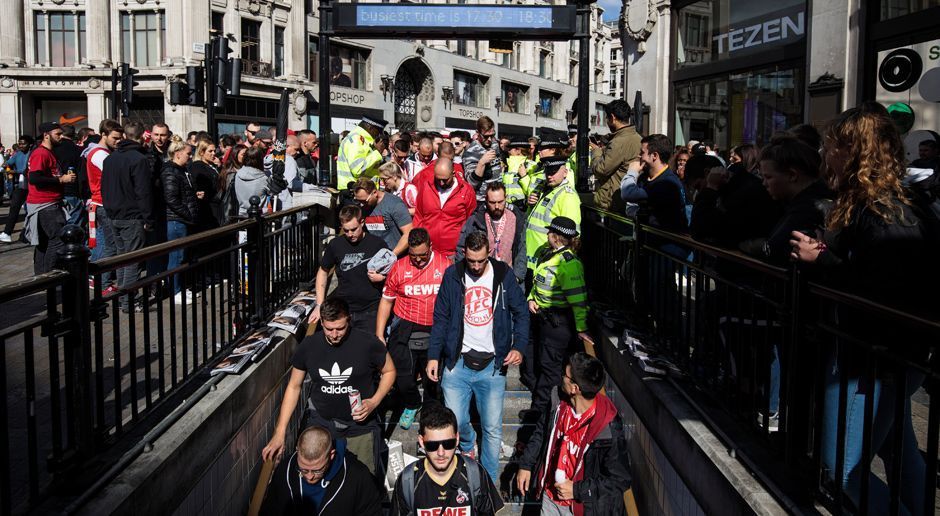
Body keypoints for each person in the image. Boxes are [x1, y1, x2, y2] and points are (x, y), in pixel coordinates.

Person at [790, 107, 938, 515]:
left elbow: (884, 290)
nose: (825, 153)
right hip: (887, 356)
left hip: (874, 358)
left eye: (832, 146)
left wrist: (820, 260)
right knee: (900, 451)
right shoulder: (889, 202)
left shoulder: (891, 209)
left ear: (853, 151)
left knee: (843, 472)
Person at [426, 231, 529, 482]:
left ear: (489, 254)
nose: (475, 266)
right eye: (471, 260)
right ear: (464, 254)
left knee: (492, 430)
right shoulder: (453, 275)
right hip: (457, 364)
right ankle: (469, 443)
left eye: (480, 261)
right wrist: (433, 356)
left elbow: (522, 313)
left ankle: (489, 485)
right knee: (457, 422)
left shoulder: (503, 275)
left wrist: (519, 346)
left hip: (492, 367)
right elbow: (440, 318)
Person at [262, 299, 396, 478]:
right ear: (322, 323)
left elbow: (389, 371)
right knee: (316, 478)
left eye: (340, 328)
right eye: (329, 329)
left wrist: (374, 401)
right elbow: (294, 386)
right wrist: (280, 432)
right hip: (321, 425)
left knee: (363, 481)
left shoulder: (368, 343)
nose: (334, 334)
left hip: (360, 428)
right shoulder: (309, 346)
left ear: (349, 320)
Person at [517, 352, 632, 516]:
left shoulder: (608, 427)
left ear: (574, 388)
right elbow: (542, 432)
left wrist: (577, 490)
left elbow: (620, 481)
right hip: (550, 499)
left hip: (582, 508)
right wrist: (526, 464)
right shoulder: (557, 401)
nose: (561, 376)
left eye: (565, 375)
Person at [375, 228, 451, 428]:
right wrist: (379, 333)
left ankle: (430, 415)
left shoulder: (444, 265)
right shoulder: (399, 268)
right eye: (413, 255)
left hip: (435, 326)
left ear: (430, 248)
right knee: (403, 378)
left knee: (432, 379)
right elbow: (386, 301)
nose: (417, 260)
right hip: (405, 325)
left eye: (422, 255)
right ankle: (412, 403)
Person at [523, 216, 592, 416]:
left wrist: (581, 328)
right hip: (545, 321)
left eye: (549, 232)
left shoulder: (568, 264)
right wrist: (531, 299)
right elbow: (538, 284)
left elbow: (578, 302)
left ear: (556, 237)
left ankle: (542, 414)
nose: (546, 234)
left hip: (558, 324)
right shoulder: (549, 255)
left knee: (550, 372)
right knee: (545, 366)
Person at [391, 403, 504, 516]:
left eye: (448, 443)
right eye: (432, 445)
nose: (441, 453)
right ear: (421, 442)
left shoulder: (475, 473)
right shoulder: (408, 480)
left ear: (457, 439)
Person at [738, 136, 830, 265]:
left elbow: (772, 248)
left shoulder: (807, 208)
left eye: (768, 177)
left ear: (792, 175)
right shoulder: (799, 201)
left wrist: (741, 243)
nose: (764, 183)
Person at [261, 425, 384, 515]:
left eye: (317, 471)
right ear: (297, 451)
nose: (309, 477)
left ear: (331, 455)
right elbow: (270, 510)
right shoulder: (285, 470)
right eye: (303, 470)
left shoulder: (357, 476)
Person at [309, 205, 389, 333]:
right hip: (344, 310)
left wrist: (383, 277)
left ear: (362, 222)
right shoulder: (336, 244)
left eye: (353, 229)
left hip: (371, 310)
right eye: (346, 230)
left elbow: (394, 272)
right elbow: (323, 272)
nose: (350, 234)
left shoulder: (377, 244)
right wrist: (319, 304)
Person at [102, 121, 154, 313]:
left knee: (123, 259)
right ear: (141, 137)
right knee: (132, 261)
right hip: (131, 216)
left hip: (113, 214)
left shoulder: (111, 158)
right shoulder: (138, 159)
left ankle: (122, 297)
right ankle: (127, 301)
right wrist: (148, 219)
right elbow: (143, 192)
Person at [455, 182, 526, 282]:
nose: (497, 206)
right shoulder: (476, 220)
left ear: (506, 198)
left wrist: (517, 277)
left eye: (500, 202)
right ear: (486, 200)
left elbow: (521, 249)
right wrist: (464, 275)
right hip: (481, 277)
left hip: (508, 277)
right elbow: (461, 248)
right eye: (492, 202)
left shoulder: (516, 219)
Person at [25, 122, 71, 275]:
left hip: (48, 203)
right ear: (46, 135)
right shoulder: (41, 153)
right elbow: (34, 178)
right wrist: (60, 180)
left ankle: (41, 278)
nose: (61, 137)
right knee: (57, 240)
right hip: (45, 204)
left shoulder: (47, 153)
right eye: (57, 134)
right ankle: (50, 277)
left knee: (44, 242)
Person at [620, 134, 688, 235]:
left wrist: (632, 172)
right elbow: (631, 206)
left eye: (642, 152)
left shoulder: (668, 183)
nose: (639, 156)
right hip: (646, 241)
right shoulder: (644, 177)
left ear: (654, 156)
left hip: (664, 245)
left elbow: (627, 193)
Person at [523, 158, 581, 275]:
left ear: (565, 172)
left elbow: (571, 235)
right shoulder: (548, 189)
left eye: (554, 172)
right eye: (547, 172)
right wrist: (530, 204)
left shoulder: (567, 196)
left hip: (548, 260)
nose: (549, 176)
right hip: (534, 256)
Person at [161, 135, 201, 304]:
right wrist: (188, 213)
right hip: (177, 220)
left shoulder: (181, 170)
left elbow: (182, 193)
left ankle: (179, 288)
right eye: (188, 153)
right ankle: (175, 291)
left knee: (181, 256)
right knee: (176, 257)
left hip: (182, 219)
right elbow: (171, 198)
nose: (190, 156)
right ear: (177, 154)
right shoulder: (170, 171)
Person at [412, 157, 477, 259]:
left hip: (454, 253)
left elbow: (471, 221)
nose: (441, 183)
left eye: (445, 180)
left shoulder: (466, 191)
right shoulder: (426, 187)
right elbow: (419, 216)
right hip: (429, 251)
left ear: (454, 173)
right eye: (438, 179)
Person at [85, 119, 123, 293]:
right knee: (111, 245)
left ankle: (101, 280)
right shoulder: (100, 155)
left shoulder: (102, 152)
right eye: (115, 138)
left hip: (102, 203)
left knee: (107, 243)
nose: (118, 141)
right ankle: (102, 282)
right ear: (104, 135)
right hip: (103, 203)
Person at [591, 100, 641, 212]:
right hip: (627, 199)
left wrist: (597, 152)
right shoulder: (637, 138)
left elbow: (601, 169)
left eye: (607, 119)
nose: (607, 122)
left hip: (611, 202)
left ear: (613, 118)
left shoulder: (618, 142)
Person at [352, 176, 413, 256]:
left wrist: (392, 255)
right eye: (358, 201)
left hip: (397, 256)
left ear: (375, 193)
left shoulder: (394, 204)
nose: (361, 204)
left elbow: (408, 233)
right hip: (375, 256)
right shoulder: (364, 207)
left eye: (364, 201)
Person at [0, 135, 34, 243]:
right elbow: (8, 163)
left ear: (30, 145)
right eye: (19, 143)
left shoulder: (32, 154)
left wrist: (14, 171)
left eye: (23, 143)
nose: (21, 146)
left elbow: (26, 170)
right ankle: (7, 232)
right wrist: (5, 165)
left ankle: (26, 233)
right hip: (20, 185)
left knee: (30, 211)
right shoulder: (18, 154)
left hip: (32, 185)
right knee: (14, 208)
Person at [336, 116, 386, 190]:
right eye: (378, 131)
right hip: (355, 191)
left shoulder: (364, 140)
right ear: (370, 127)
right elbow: (358, 170)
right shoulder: (356, 139)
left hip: (362, 190)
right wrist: (377, 153)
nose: (378, 135)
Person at [462, 116, 503, 203]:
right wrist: (482, 163)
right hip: (482, 200)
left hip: (498, 195)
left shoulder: (494, 144)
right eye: (486, 136)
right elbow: (471, 183)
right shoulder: (470, 152)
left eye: (492, 135)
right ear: (477, 133)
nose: (489, 140)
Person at [234, 146, 285, 216]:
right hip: (259, 217)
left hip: (242, 215)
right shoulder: (264, 179)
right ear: (260, 160)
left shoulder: (237, 174)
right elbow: (275, 191)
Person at [52, 124, 87, 227]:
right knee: (73, 224)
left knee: (59, 224)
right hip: (73, 190)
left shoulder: (52, 149)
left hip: (55, 190)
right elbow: (82, 173)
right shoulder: (78, 150)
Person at [189, 137, 222, 236]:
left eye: (214, 151)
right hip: (207, 209)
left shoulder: (211, 165)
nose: (213, 153)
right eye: (210, 151)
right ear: (202, 152)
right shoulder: (197, 166)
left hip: (215, 207)